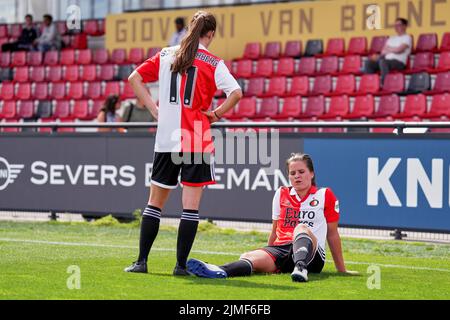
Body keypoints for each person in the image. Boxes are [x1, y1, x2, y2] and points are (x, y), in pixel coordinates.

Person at [125, 11, 242, 276]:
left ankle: (141, 262)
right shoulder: (212, 62)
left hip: (166, 137)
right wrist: (215, 114)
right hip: (196, 137)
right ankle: (179, 266)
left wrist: (155, 109)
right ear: (210, 34)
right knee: (190, 207)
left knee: (154, 203)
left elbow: (134, 78)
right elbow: (236, 93)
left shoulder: (167, 54)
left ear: (190, 28)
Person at [187, 153, 358, 282]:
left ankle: (300, 268)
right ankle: (218, 270)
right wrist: (268, 251)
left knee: (301, 228)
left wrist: (341, 269)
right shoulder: (281, 193)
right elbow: (275, 229)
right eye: (292, 173)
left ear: (311, 174)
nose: (297, 176)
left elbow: (332, 234)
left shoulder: (325, 194)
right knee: (249, 256)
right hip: (282, 249)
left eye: (301, 172)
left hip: (313, 255)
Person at [363, 18, 412, 84]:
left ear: (404, 26)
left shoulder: (407, 37)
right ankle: (370, 83)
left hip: (399, 62)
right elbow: (383, 52)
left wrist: (389, 49)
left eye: (399, 25)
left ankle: (385, 83)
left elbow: (399, 50)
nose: (396, 27)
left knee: (383, 62)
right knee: (369, 63)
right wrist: (394, 49)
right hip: (386, 61)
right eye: (395, 26)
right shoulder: (391, 38)